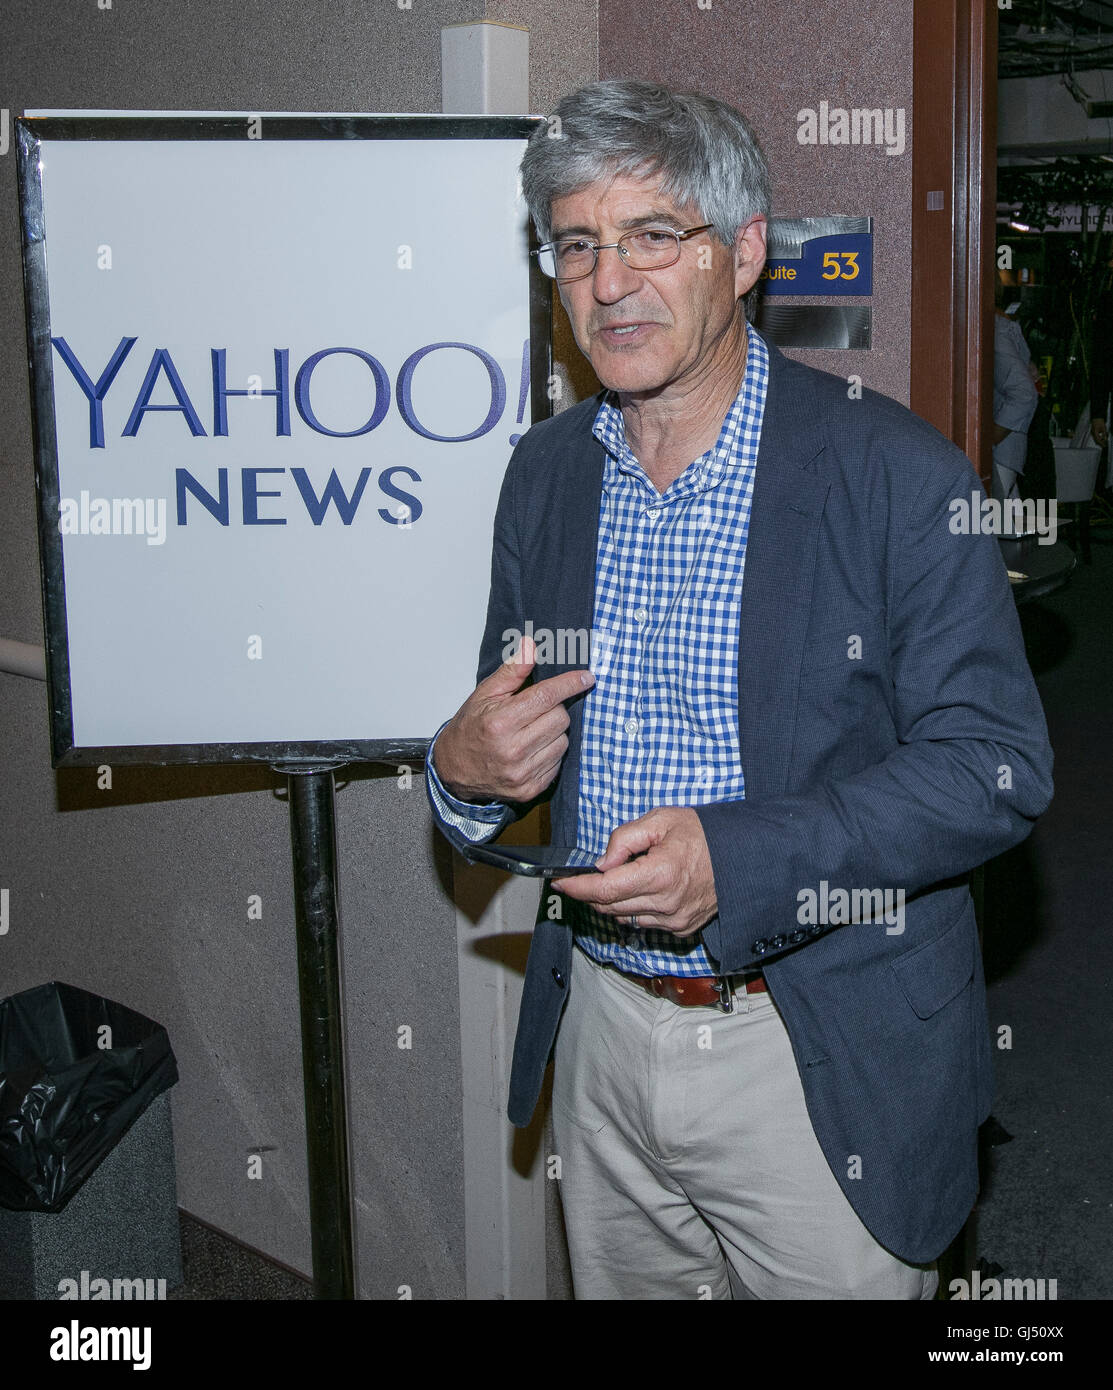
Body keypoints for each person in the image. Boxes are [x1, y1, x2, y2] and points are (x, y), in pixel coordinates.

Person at [425, 79, 1054, 1300]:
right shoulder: (545, 475)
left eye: (655, 235)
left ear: (748, 250)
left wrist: (744, 858)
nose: (610, 282)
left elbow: (996, 765)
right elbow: (500, 726)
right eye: (577, 245)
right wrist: (458, 770)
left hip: (818, 1040)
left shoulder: (898, 473)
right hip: (600, 1029)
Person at [992, 284, 1039, 503]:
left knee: (995, 527)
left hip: (1000, 453)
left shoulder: (997, 330)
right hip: (1007, 452)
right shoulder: (1006, 326)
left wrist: (991, 437)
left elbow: (1024, 393)